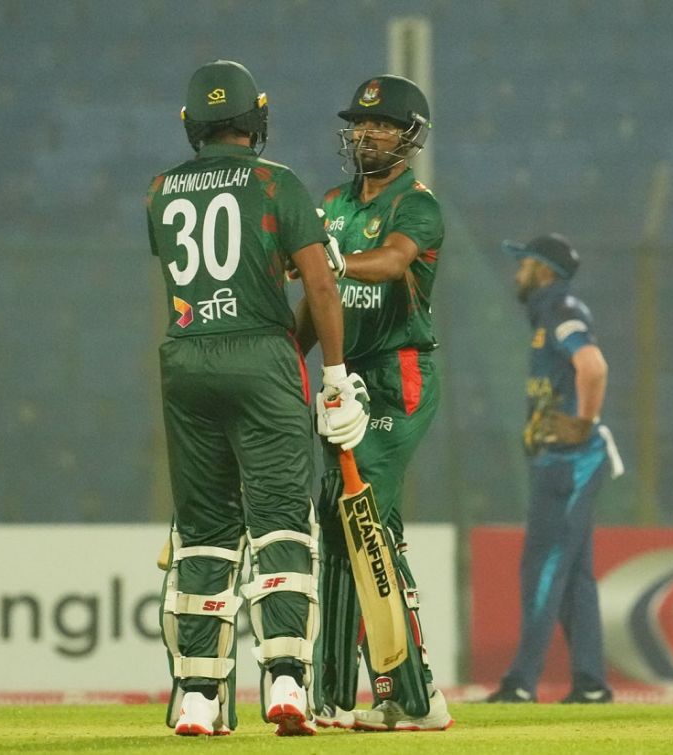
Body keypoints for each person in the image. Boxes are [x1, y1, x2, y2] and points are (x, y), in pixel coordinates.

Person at [146, 60, 370, 737]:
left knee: (205, 531)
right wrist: (335, 376)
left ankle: (199, 696)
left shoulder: (159, 190)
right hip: (263, 358)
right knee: (280, 522)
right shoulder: (277, 183)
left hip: (186, 357)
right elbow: (319, 285)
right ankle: (286, 681)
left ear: (192, 123)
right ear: (256, 118)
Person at [293, 74, 453, 732]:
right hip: (344, 374)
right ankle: (373, 694)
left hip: (397, 376)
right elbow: (318, 297)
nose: (366, 134)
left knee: (357, 518)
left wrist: (331, 260)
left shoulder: (417, 205)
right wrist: (288, 354)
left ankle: (374, 695)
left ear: (410, 137)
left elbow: (390, 262)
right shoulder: (332, 202)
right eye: (360, 124)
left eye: (383, 124)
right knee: (354, 523)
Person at [485, 233, 623, 704]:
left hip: (569, 462)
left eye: (523, 263)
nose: (517, 272)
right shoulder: (550, 312)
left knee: (542, 567)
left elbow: (593, 366)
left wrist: (583, 422)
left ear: (543, 270)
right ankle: (591, 684)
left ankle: (521, 682)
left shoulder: (561, 309)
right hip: (563, 460)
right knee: (575, 575)